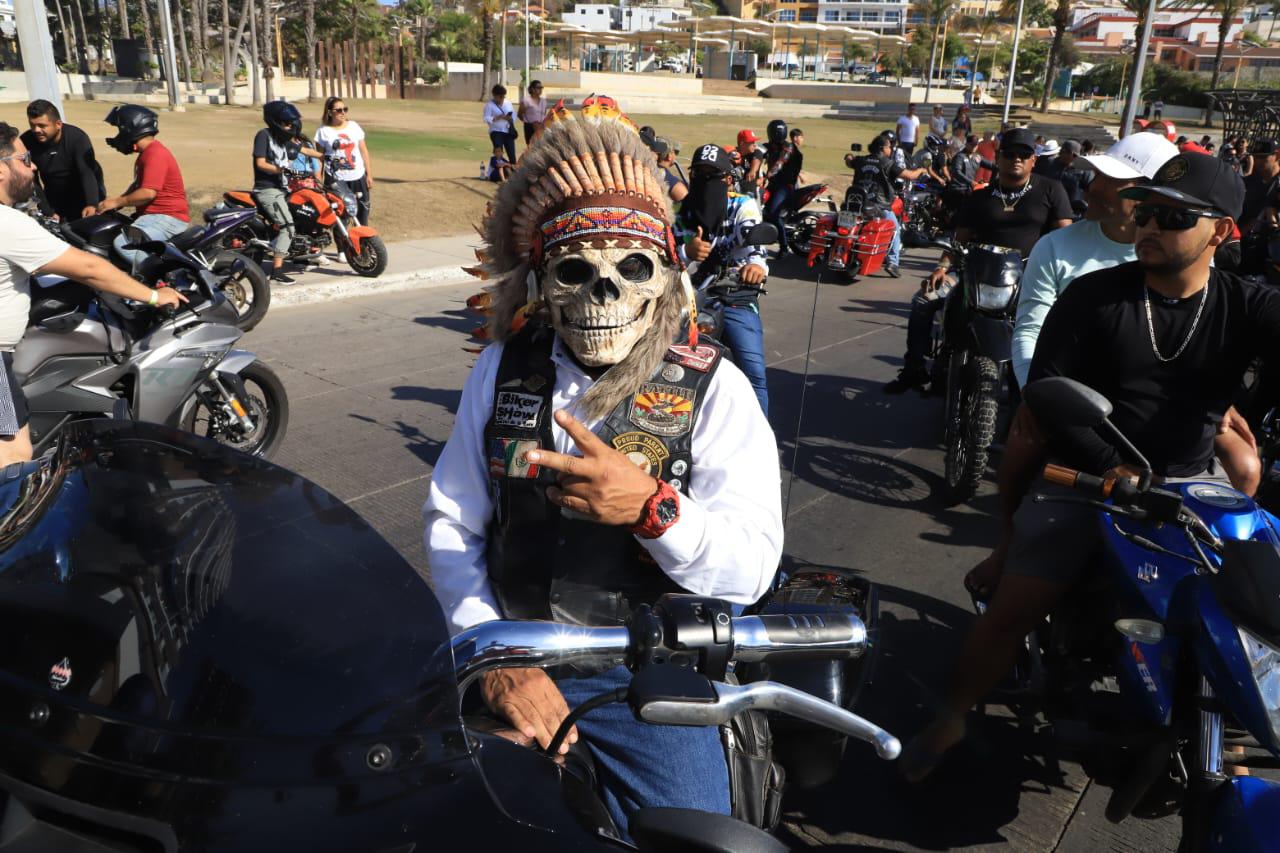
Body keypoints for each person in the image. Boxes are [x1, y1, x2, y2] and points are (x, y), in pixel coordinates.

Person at [423, 104, 782, 841]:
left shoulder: (715, 387)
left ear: (665, 279)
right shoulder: (502, 370)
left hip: (645, 674)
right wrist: (491, 652)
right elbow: (453, 520)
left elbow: (750, 569)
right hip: (515, 651)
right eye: (575, 272)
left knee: (691, 835)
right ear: (542, 283)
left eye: (631, 269)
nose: (603, 294)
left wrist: (654, 510)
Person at [899, 152, 1272, 781]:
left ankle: (1222, 723)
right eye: (1147, 211)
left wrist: (1246, 417)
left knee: (1249, 615)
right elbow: (1048, 393)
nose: (1148, 225)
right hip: (1091, 478)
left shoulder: (1246, 304)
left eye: (1173, 217)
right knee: (1015, 609)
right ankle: (951, 717)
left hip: (1191, 484)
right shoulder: (1094, 296)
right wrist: (1112, 465)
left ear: (1222, 231)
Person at [1011, 131, 1259, 491]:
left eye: (1110, 179)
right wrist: (1033, 392)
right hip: (1080, 396)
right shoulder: (1057, 249)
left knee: (1246, 466)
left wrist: (1218, 403)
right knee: (1025, 445)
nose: (1093, 187)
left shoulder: (1189, 260)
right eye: (1148, 214)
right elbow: (1031, 329)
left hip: (1172, 408)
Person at [0, 123, 185, 463]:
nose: (34, 166)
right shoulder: (7, 223)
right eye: (24, 160)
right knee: (14, 457)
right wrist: (154, 296)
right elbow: (89, 268)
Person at [883, 128, 1073, 393]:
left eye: (1024, 154)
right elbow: (959, 240)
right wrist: (941, 267)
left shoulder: (1051, 189)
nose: (1016, 159)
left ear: (1034, 159)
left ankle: (1040, 389)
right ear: (998, 157)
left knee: (1058, 322)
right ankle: (914, 369)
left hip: (1029, 277)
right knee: (924, 300)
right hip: (975, 273)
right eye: (1010, 154)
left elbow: (1065, 238)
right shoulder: (980, 197)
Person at [679, 144, 772, 413]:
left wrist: (756, 266)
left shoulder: (743, 205)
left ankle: (760, 432)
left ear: (729, 179)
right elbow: (667, 255)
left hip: (736, 294)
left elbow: (754, 239)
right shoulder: (684, 211)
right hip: (692, 297)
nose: (706, 180)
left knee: (753, 372)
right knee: (665, 361)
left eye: (713, 175)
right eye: (699, 174)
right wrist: (686, 251)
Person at [95, 105, 190, 273]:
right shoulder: (148, 153)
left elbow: (147, 193)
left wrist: (117, 202)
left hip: (166, 217)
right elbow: (138, 186)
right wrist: (115, 203)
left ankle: (160, 279)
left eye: (119, 130)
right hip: (157, 217)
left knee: (124, 244)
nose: (118, 136)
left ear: (130, 128)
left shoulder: (155, 153)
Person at [253, 101, 326, 284]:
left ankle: (301, 253)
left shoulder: (282, 139)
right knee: (287, 226)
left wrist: (326, 156)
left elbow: (304, 150)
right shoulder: (264, 136)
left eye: (291, 123)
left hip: (284, 189)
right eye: (286, 123)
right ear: (275, 121)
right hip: (268, 190)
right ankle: (276, 271)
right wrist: (280, 169)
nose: (290, 127)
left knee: (304, 215)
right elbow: (260, 163)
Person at [20, 99, 105, 223]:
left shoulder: (77, 138)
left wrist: (92, 204)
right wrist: (47, 210)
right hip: (54, 193)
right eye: (32, 125)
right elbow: (32, 180)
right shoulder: (26, 142)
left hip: (83, 190)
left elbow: (86, 173)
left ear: (58, 124)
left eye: (42, 126)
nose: (36, 130)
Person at [314, 96, 373, 230]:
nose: (343, 112)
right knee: (340, 218)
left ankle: (363, 242)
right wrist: (318, 179)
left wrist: (369, 174)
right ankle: (343, 244)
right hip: (335, 180)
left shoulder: (354, 126)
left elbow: (363, 151)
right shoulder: (323, 132)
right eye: (339, 110)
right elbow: (319, 158)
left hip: (357, 177)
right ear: (330, 112)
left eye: (345, 109)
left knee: (362, 215)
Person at [763, 118, 802, 256]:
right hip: (773, 185)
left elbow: (780, 163)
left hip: (785, 187)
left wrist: (767, 175)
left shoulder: (788, 147)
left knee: (775, 213)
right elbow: (757, 150)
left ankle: (784, 247)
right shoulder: (771, 146)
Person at [1238, 138, 1279, 233]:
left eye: (1262, 157)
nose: (1257, 161)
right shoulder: (1245, 183)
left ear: (1277, 156)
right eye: (1255, 157)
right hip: (1247, 237)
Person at [483, 84, 517, 167]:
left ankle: (512, 171)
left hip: (508, 132)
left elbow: (514, 115)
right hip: (496, 132)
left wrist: (510, 118)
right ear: (494, 96)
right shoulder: (489, 105)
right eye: (500, 97)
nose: (502, 99)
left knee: (512, 154)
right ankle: (499, 172)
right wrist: (498, 117)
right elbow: (486, 118)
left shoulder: (508, 103)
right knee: (498, 153)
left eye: (503, 97)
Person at [517, 80, 548, 147]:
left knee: (542, 147)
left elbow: (544, 114)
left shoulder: (544, 101)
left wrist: (540, 124)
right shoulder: (526, 100)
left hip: (541, 127)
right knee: (531, 147)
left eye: (541, 88)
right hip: (529, 127)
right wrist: (530, 123)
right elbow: (519, 114)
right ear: (532, 89)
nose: (540, 90)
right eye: (538, 88)